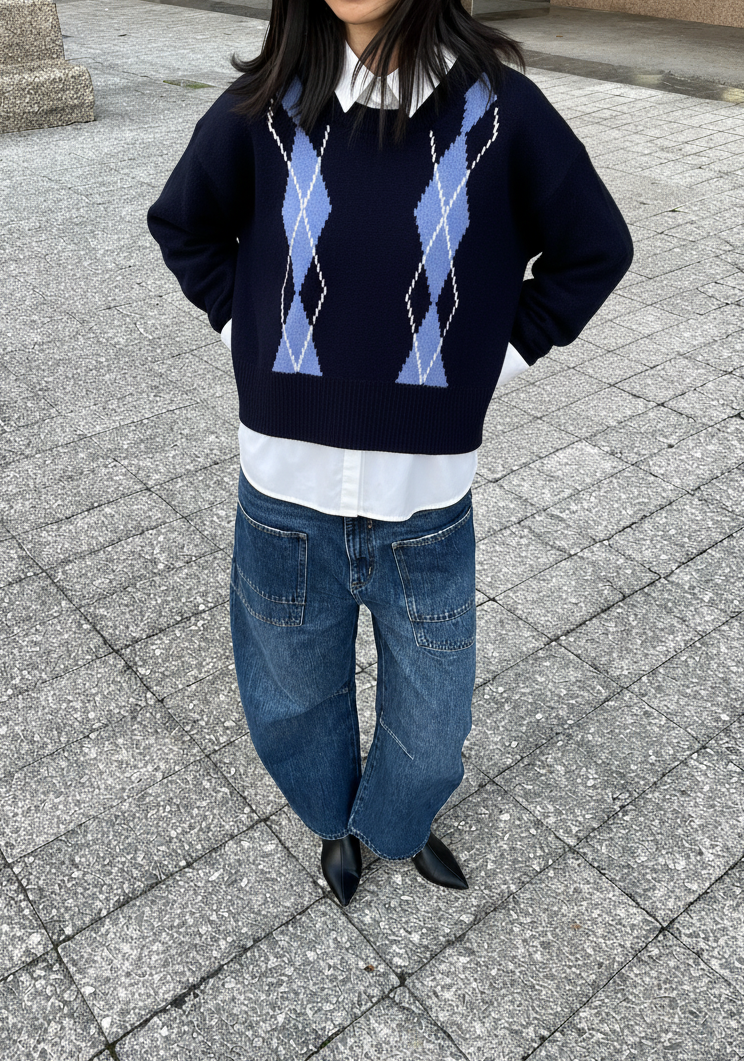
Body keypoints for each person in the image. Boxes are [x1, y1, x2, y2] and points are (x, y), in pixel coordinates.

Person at [147, 0, 632, 908]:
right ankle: (333, 821)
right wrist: (248, 335)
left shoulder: (502, 114)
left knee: (435, 722)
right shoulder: (262, 110)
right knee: (292, 698)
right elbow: (185, 225)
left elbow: (595, 249)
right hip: (283, 498)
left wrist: (495, 357)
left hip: (425, 510)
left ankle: (395, 825)